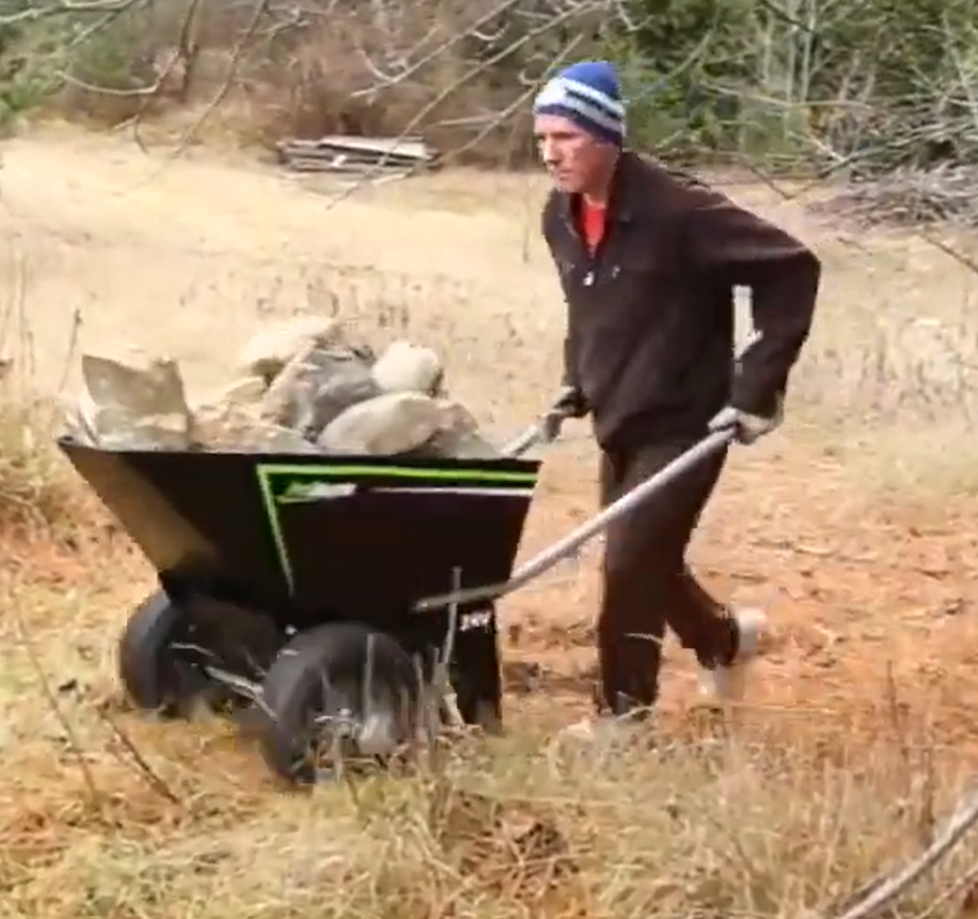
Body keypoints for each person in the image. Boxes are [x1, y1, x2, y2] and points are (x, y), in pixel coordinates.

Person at [532, 60, 821, 736]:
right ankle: (723, 639)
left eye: (567, 137)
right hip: (620, 415)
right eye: (542, 137)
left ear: (608, 137)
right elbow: (591, 308)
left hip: (688, 419)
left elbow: (792, 267)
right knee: (650, 556)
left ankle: (622, 716)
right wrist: (575, 380)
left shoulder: (679, 211)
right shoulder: (562, 216)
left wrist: (757, 386)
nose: (551, 152)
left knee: (630, 560)